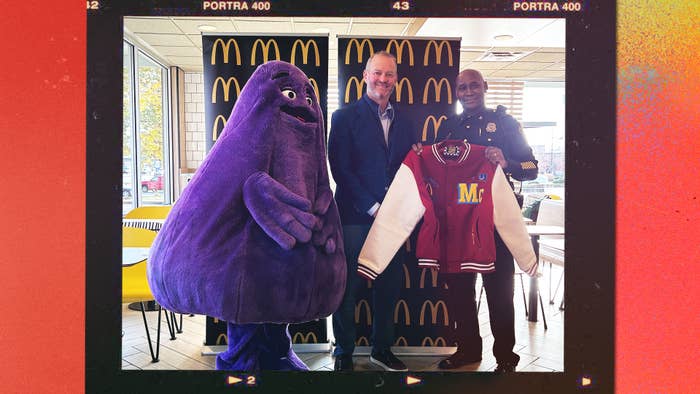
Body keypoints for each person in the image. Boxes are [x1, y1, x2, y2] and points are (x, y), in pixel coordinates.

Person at [420, 69, 539, 373]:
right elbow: (434, 167)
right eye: (463, 87)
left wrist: (507, 161)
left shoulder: (505, 123)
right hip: (457, 222)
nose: (469, 91)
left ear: (485, 87)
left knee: (500, 292)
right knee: (459, 291)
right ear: (456, 92)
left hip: (494, 222)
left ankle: (505, 358)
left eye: (474, 85)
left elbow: (531, 166)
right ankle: (468, 350)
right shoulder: (448, 127)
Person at [328, 51, 418, 372]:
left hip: (393, 220)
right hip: (354, 218)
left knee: (388, 287)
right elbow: (341, 169)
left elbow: (411, 168)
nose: (383, 80)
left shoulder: (407, 120)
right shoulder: (343, 117)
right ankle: (344, 354)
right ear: (365, 76)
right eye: (377, 73)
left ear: (396, 79)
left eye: (390, 74)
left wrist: (396, 209)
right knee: (347, 289)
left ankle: (381, 350)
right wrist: (373, 206)